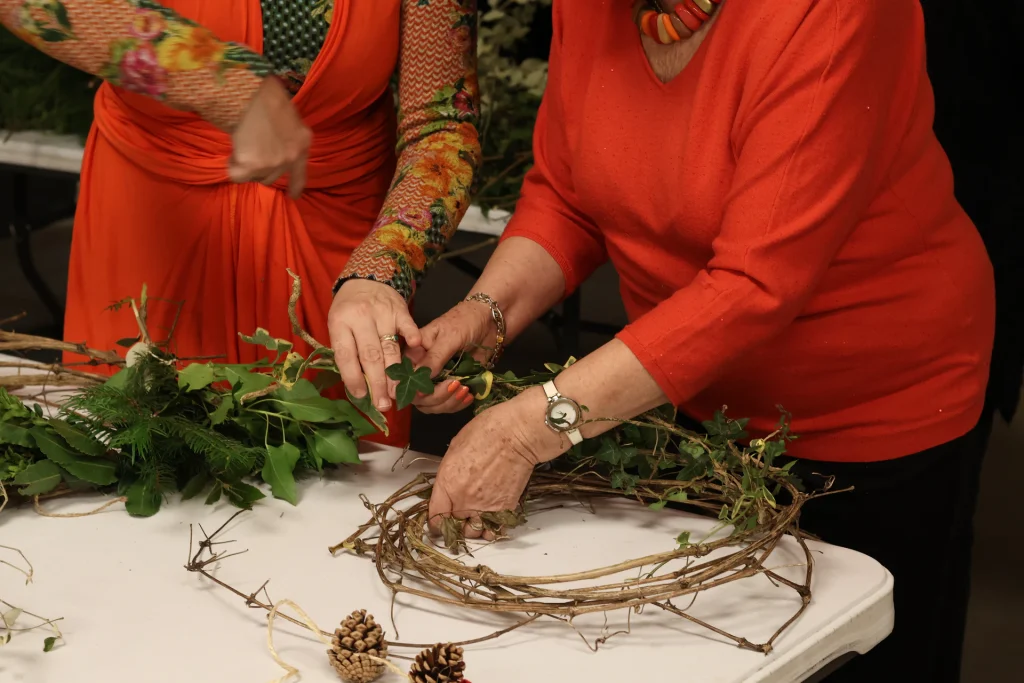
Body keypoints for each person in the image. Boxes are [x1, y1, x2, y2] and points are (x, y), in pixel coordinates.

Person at [408, 1, 994, 680]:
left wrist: (528, 429)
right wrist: (489, 309)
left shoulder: (835, 12)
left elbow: (753, 284)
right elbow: (568, 195)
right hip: (696, 400)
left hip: (875, 413)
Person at [0, 0, 481, 447]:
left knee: (334, 486)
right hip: (156, 220)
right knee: (135, 455)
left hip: (340, 243)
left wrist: (381, 269)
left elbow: (441, 122)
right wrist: (220, 78)